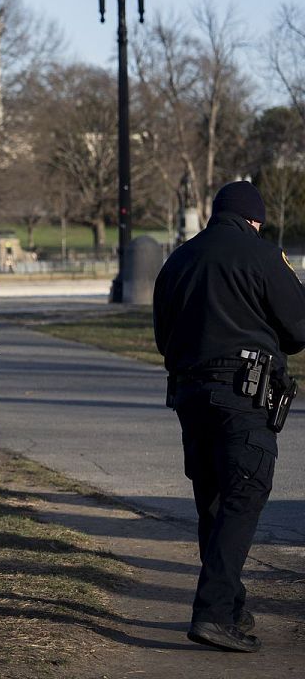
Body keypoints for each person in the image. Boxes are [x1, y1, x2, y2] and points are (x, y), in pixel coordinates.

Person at [153, 180, 304, 653]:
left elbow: (163, 335)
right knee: (244, 498)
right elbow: (299, 329)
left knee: (214, 502)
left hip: (190, 394)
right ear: (254, 219)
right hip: (244, 394)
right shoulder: (262, 256)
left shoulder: (177, 260)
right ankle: (214, 613)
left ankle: (231, 605)